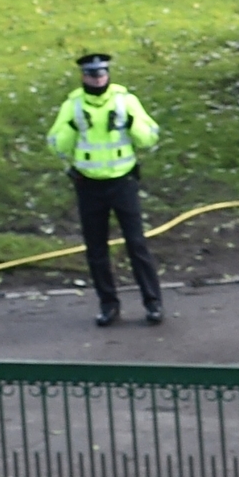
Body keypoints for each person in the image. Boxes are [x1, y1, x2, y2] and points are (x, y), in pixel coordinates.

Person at [46, 51, 164, 328]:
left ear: (108, 74)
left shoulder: (125, 101)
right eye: (91, 74)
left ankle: (153, 303)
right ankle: (108, 305)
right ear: (83, 76)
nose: (97, 79)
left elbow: (150, 138)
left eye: (101, 74)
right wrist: (75, 128)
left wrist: (130, 124)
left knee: (137, 244)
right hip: (89, 185)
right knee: (96, 249)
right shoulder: (73, 106)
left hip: (122, 182)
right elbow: (55, 144)